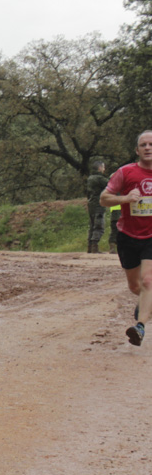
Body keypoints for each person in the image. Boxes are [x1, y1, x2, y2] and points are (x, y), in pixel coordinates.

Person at [99, 130, 152, 346]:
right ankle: (146, 304)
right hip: (128, 236)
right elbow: (104, 199)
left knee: (148, 280)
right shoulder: (125, 172)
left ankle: (140, 327)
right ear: (137, 150)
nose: (148, 148)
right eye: (143, 145)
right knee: (135, 287)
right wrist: (126, 198)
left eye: (151, 144)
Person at [86, 161, 109, 253]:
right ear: (100, 168)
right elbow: (111, 185)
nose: (104, 169)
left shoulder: (90, 178)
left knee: (92, 225)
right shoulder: (100, 179)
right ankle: (95, 247)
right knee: (99, 226)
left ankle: (90, 247)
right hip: (99, 204)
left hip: (91, 204)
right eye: (103, 167)